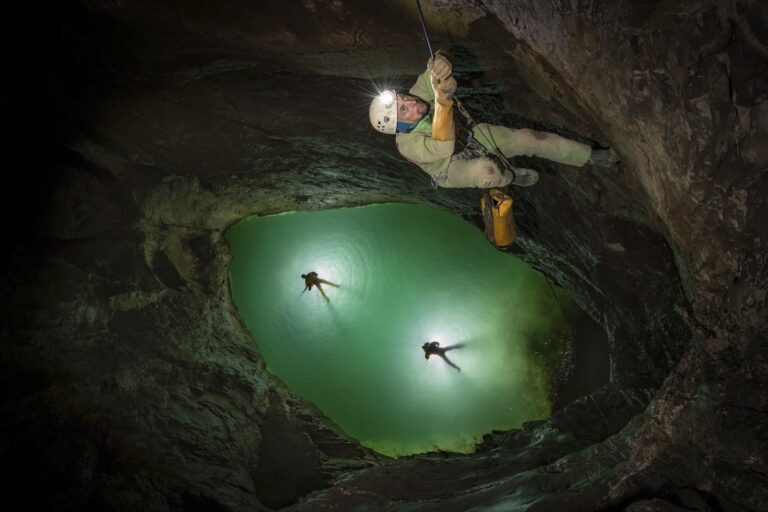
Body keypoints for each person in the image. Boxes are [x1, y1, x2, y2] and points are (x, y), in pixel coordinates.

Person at [369, 50, 620, 189]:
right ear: (400, 127)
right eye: (403, 111)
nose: (410, 103)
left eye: (402, 99)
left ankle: (587, 155)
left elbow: (433, 73)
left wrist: (441, 62)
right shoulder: (407, 145)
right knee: (486, 170)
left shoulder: (416, 97)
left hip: (469, 137)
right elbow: (444, 146)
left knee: (527, 138)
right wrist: (443, 100)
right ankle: (510, 177)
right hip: (449, 169)